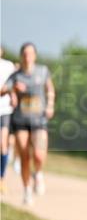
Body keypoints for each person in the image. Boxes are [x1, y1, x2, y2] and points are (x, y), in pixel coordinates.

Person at [2, 43, 55, 205]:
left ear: (35, 56)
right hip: (21, 120)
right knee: (24, 155)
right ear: (21, 56)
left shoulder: (43, 71)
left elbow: (50, 89)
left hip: (39, 120)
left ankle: (37, 173)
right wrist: (13, 90)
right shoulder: (16, 75)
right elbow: (2, 90)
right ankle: (26, 190)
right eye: (25, 53)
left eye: (30, 53)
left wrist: (50, 104)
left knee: (39, 155)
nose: (27, 56)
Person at [0, 47, 16, 194]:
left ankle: (2, 178)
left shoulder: (8, 66)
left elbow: (13, 83)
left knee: (3, 143)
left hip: (4, 110)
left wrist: (14, 96)